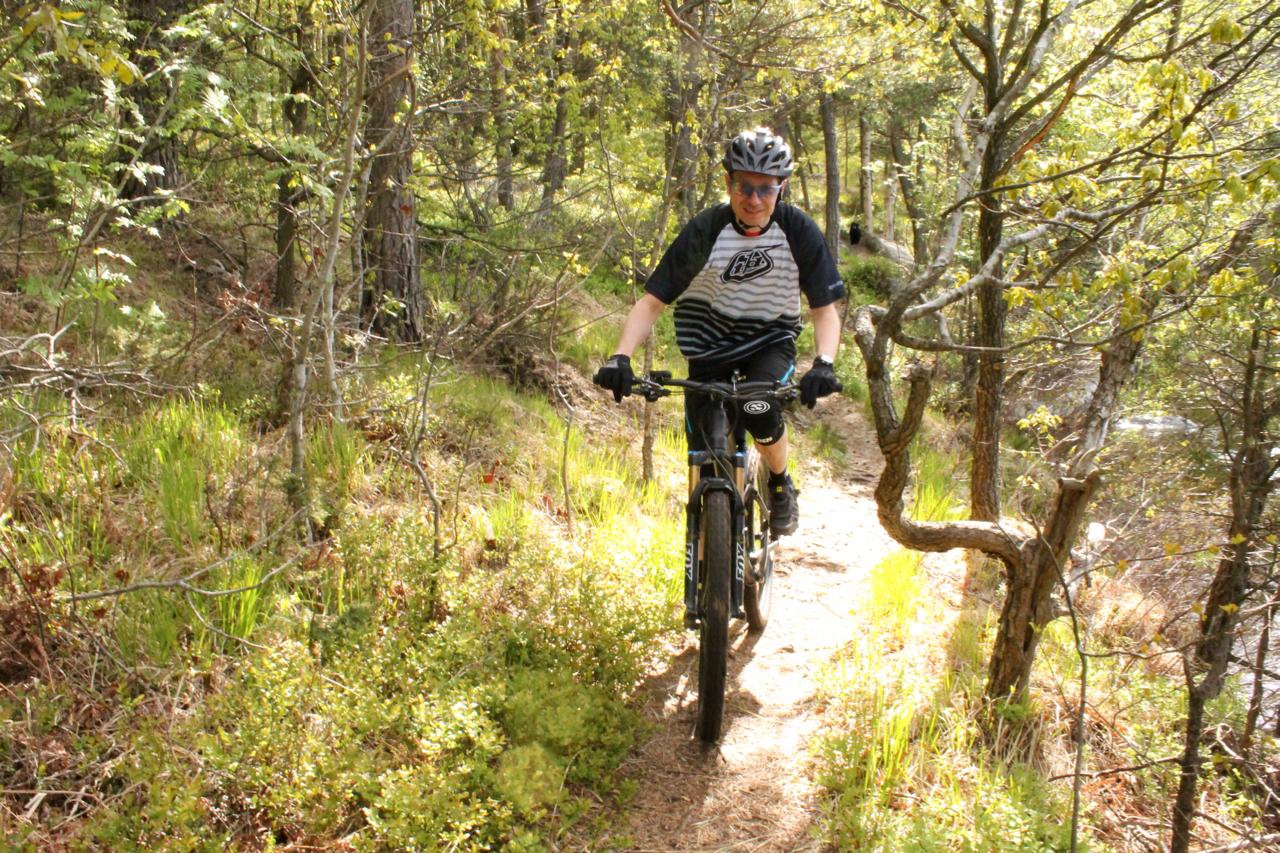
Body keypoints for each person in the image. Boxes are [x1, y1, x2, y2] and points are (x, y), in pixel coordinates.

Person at [593, 127, 845, 536]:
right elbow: (653, 301)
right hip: (707, 348)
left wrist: (825, 363)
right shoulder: (706, 230)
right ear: (728, 182)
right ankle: (706, 562)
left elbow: (824, 308)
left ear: (781, 188)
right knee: (702, 455)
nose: (754, 199)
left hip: (769, 342)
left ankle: (780, 483)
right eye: (745, 186)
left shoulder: (797, 231)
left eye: (766, 189)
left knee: (758, 408)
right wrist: (620, 356)